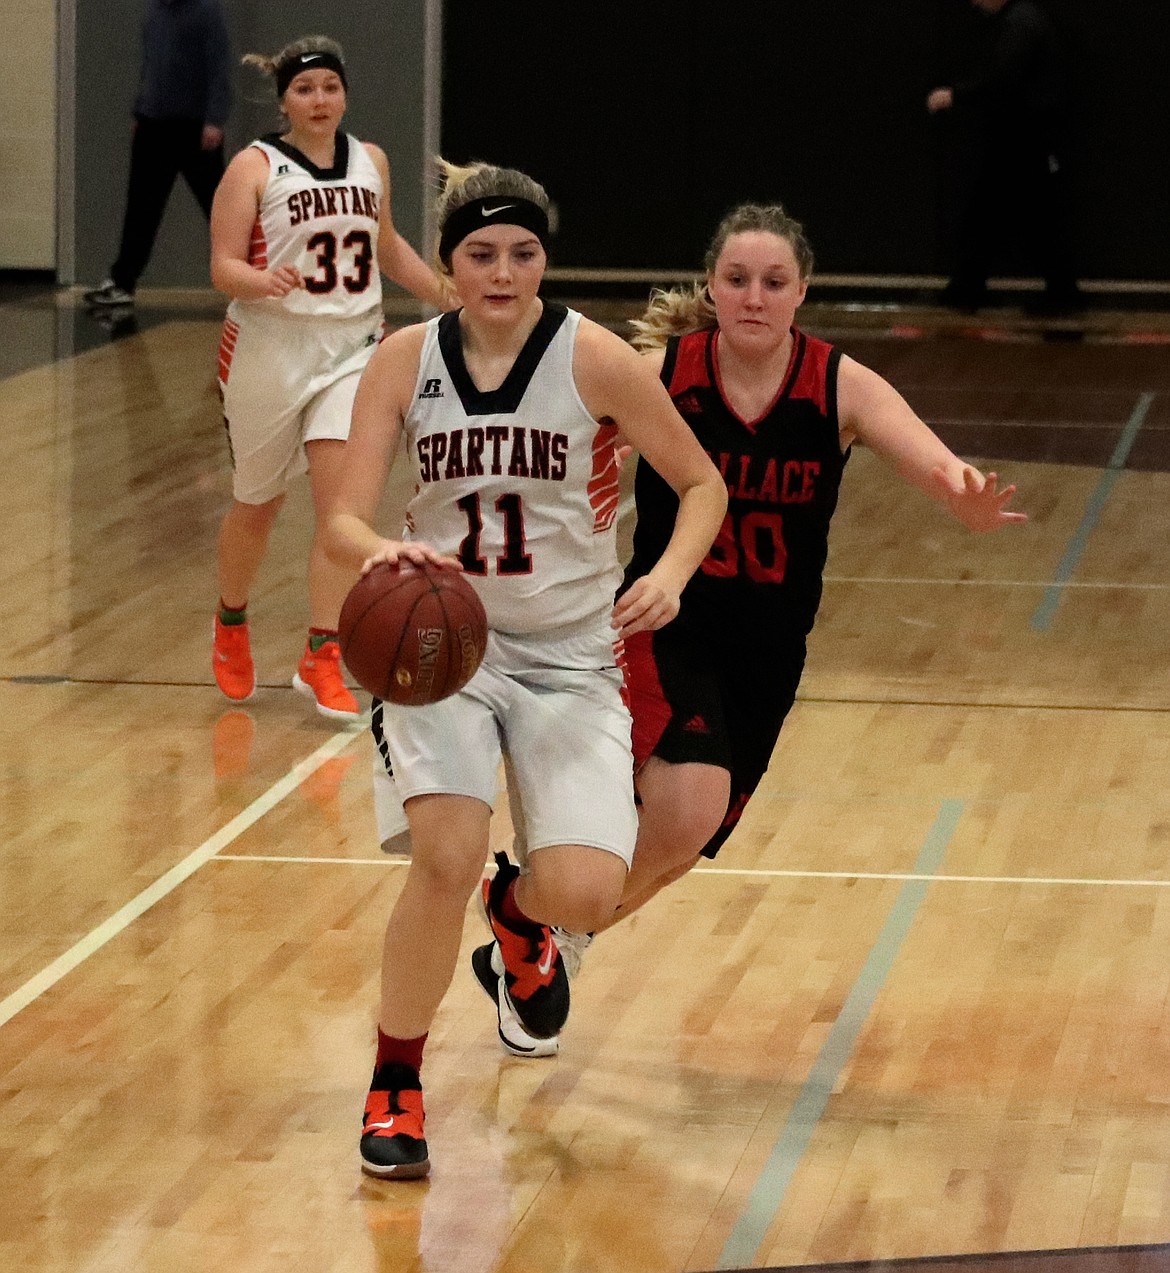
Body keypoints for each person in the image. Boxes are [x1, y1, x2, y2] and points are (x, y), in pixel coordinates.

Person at [478, 201, 1027, 1058]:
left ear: (802, 291)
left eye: (774, 281)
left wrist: (962, 492)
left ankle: (536, 928)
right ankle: (536, 922)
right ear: (712, 286)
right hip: (668, 618)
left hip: (771, 650)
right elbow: (556, 438)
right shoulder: (660, 372)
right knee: (688, 807)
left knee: (683, 844)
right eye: (737, 279)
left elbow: (927, 454)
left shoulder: (838, 384)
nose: (755, 296)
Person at [326, 157, 727, 1178]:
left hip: (567, 652)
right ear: (450, 264)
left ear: (544, 258)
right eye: (480, 254)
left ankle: (521, 918)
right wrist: (384, 555)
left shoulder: (594, 359)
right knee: (445, 854)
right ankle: (396, 1079)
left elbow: (700, 483)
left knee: (586, 891)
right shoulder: (402, 360)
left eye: (523, 253)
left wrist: (673, 572)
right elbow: (338, 517)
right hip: (440, 650)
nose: (502, 273)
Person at [209, 36, 453, 720]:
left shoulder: (370, 161)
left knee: (341, 509)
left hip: (352, 348)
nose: (319, 101)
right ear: (284, 99)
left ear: (345, 94)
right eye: (305, 90)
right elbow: (223, 266)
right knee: (257, 504)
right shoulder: (253, 168)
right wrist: (260, 280)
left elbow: (386, 243)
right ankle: (231, 620)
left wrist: (442, 292)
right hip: (268, 348)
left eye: (329, 88)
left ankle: (322, 653)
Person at [926, 0, 1082, 312]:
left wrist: (956, 95)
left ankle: (1057, 294)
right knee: (1011, 214)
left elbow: (1003, 77)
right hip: (1021, 136)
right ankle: (970, 288)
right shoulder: (1022, 20)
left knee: (1019, 215)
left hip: (1023, 137)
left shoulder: (1019, 24)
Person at [84, 0, 232, 309]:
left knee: (223, 208)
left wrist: (215, 119)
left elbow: (219, 67)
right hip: (153, 126)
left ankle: (252, 278)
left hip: (195, 128)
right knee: (141, 207)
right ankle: (123, 283)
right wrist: (140, 110)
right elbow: (150, 66)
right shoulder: (154, 12)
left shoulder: (207, 12)